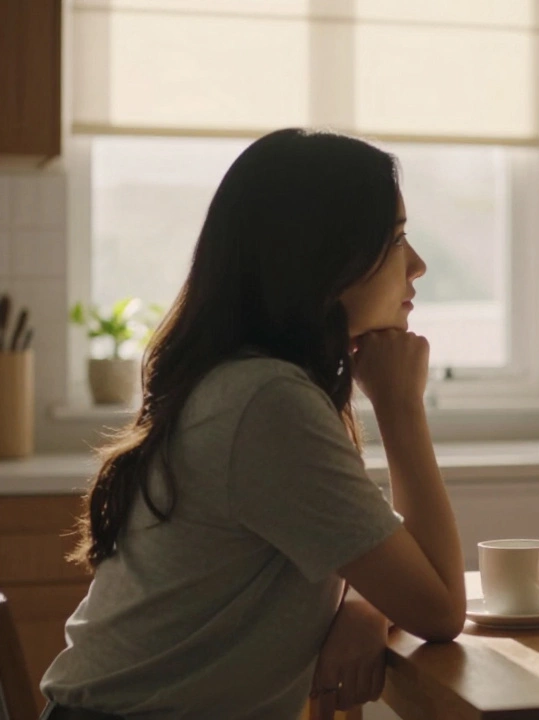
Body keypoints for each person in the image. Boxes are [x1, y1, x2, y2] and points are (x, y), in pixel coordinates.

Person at [39, 129, 467, 719]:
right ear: (324, 256)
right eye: (394, 239)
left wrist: (365, 605)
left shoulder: (241, 381)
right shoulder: (267, 403)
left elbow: (378, 554)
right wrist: (401, 408)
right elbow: (441, 609)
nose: (417, 265)